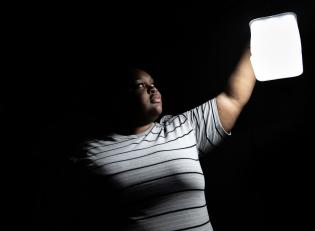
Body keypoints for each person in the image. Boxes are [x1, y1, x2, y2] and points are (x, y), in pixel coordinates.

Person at [70, 46, 256, 231]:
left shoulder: (183, 127)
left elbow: (233, 98)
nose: (152, 88)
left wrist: (253, 44)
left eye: (153, 83)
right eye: (140, 85)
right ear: (118, 98)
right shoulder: (90, 152)